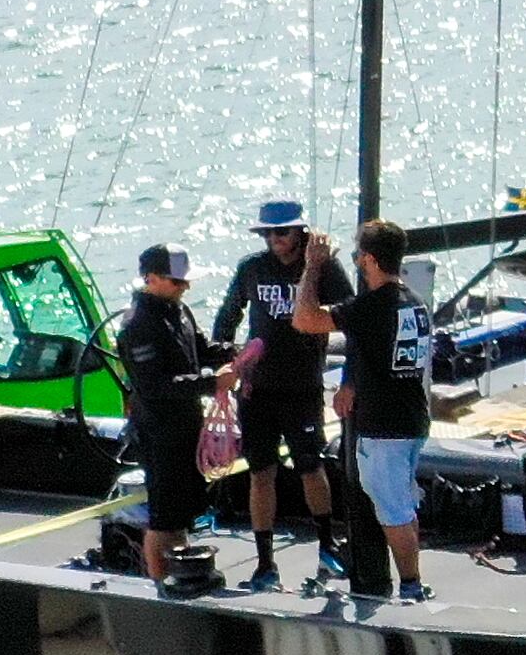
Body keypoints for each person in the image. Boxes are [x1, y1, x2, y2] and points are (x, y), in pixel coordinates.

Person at [216, 200, 334, 591]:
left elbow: (351, 312)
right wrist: (223, 357)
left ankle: (328, 546)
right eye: (267, 233)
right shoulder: (252, 267)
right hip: (258, 389)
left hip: (302, 386)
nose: (273, 240)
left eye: (281, 232)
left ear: (300, 232)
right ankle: (265, 562)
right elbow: (228, 315)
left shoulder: (322, 266)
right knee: (260, 472)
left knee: (310, 466)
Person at [327, 217, 436, 602]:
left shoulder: (372, 307)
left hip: (384, 428)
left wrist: (312, 268)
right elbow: (372, 346)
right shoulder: (415, 302)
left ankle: (410, 585)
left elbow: (305, 320)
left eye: (359, 255)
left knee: (393, 510)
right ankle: (408, 579)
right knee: (400, 504)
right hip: (411, 417)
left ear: (369, 260)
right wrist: (351, 380)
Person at [111, 244, 223, 589]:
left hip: (186, 424)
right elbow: (156, 385)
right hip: (159, 431)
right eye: (177, 282)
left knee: (180, 513)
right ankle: (161, 583)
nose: (184, 287)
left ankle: (182, 571)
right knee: (162, 516)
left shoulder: (179, 310)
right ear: (152, 279)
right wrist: (211, 382)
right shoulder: (137, 325)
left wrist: (236, 354)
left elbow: (202, 350)